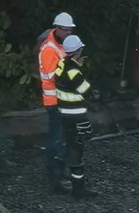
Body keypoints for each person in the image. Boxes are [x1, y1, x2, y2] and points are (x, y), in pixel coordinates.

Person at [37, 13, 76, 182]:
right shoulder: (49, 49)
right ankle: (55, 175)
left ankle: (60, 170)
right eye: (66, 30)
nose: (69, 33)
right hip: (55, 102)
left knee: (62, 137)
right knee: (56, 139)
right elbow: (54, 76)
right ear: (57, 28)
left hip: (63, 99)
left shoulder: (59, 46)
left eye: (70, 30)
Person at [55, 35, 96, 198]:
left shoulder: (62, 64)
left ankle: (56, 178)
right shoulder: (73, 71)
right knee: (77, 150)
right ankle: (78, 188)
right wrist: (96, 94)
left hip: (64, 113)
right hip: (75, 116)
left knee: (68, 145)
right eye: (81, 50)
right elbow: (86, 91)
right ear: (77, 52)